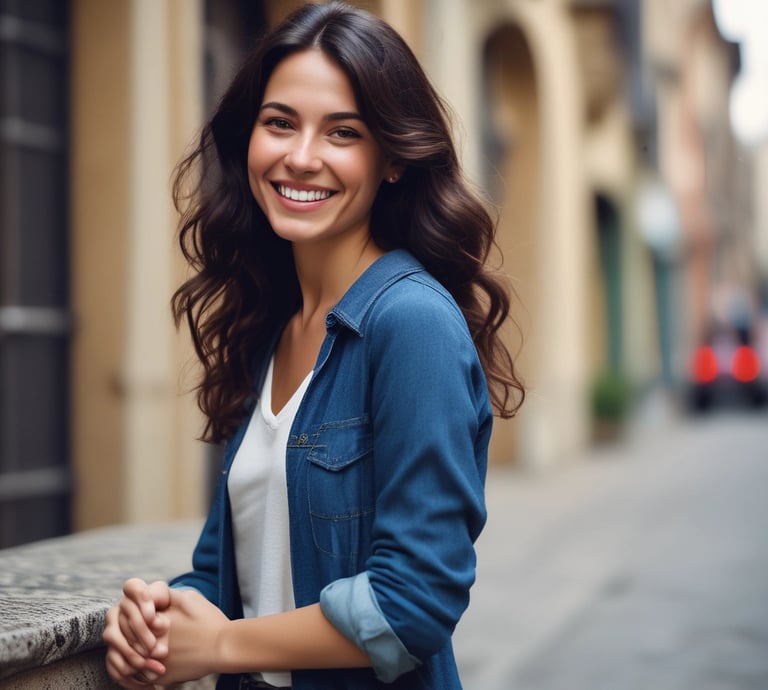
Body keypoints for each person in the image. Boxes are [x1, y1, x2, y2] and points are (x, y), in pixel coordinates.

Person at [102, 2, 524, 689]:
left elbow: (413, 602)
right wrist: (157, 614)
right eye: (279, 123)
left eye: (343, 132)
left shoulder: (411, 325)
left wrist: (222, 648)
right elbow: (229, 572)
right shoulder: (273, 321)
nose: (301, 157)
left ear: (391, 159)